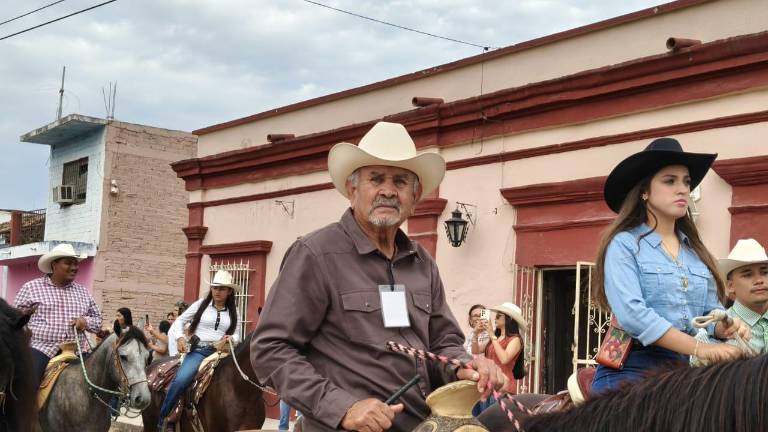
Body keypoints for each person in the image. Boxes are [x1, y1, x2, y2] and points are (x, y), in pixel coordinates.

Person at [251, 121, 505, 432]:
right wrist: (343, 407)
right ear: (352, 189)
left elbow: (444, 342)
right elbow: (270, 348)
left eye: (400, 181)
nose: (388, 190)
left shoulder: (422, 263)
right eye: (376, 179)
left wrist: (464, 366)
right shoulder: (316, 254)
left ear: (415, 196)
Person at [591, 138, 749, 394]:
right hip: (630, 369)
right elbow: (633, 315)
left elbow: (710, 313)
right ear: (644, 191)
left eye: (686, 182)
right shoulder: (624, 244)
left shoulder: (695, 252)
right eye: (670, 180)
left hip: (679, 370)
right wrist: (702, 348)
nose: (683, 189)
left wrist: (725, 326)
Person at [157, 270, 242, 431]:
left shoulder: (234, 311)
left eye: (222, 288)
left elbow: (237, 334)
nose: (217, 291)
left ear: (229, 291)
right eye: (215, 287)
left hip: (223, 353)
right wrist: (181, 338)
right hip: (199, 352)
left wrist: (232, 339)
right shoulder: (201, 305)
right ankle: (164, 418)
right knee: (182, 379)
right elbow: (180, 321)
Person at [13, 243, 102, 385]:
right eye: (68, 263)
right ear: (54, 265)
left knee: (101, 385)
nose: (74, 267)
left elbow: (98, 321)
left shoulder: (83, 292)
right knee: (27, 385)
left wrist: (84, 322)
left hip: (77, 351)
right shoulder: (31, 288)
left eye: (75, 263)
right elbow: (14, 320)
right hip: (41, 348)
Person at [719, 239, 768, 354]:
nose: (759, 280)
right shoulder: (718, 328)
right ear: (730, 286)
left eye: (765, 272)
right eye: (747, 275)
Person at [477, 303, 525, 413]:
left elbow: (504, 358)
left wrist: (491, 334)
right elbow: (476, 350)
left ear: (509, 319)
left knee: (493, 423)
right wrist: (476, 332)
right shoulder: (495, 338)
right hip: (488, 385)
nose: (495, 318)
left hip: (503, 387)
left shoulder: (515, 339)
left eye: (498, 316)